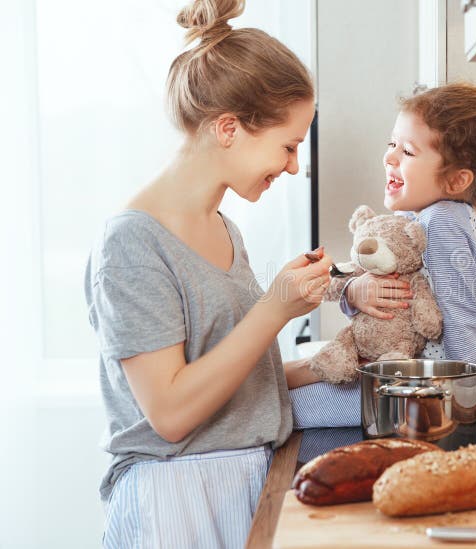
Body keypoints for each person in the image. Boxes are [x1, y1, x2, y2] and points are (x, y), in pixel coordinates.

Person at [83, 1, 331, 546]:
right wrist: (274, 309)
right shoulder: (132, 243)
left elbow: (229, 374)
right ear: (228, 128)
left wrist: (328, 361)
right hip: (176, 503)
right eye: (288, 145)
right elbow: (171, 412)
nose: (293, 165)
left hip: (243, 482)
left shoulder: (224, 228)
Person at [342, 82, 476, 443]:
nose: (390, 157)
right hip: (416, 385)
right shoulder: (435, 218)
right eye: (391, 145)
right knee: (283, 391)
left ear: (456, 179)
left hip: (430, 398)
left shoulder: (441, 222)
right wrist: (354, 291)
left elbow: (464, 320)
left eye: (408, 152)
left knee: (287, 405)